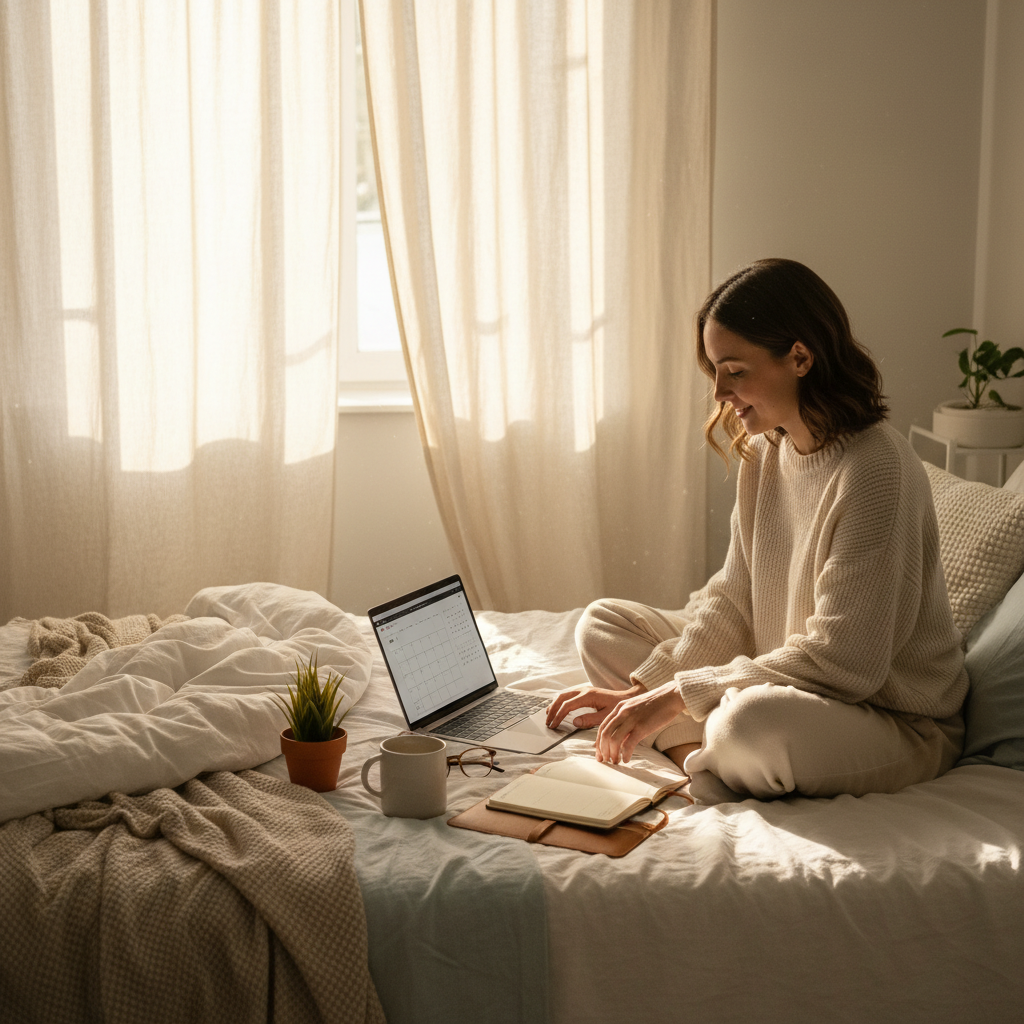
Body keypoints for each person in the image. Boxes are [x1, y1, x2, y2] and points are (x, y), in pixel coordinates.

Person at [546, 258, 967, 804]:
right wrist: (642, 689)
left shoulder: (876, 469)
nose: (719, 392)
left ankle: (707, 752)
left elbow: (845, 663)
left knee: (749, 724)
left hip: (890, 718)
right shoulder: (767, 451)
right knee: (603, 624)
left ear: (800, 358)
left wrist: (676, 696)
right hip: (792, 677)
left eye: (735, 371)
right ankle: (701, 754)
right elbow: (733, 600)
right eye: (715, 371)